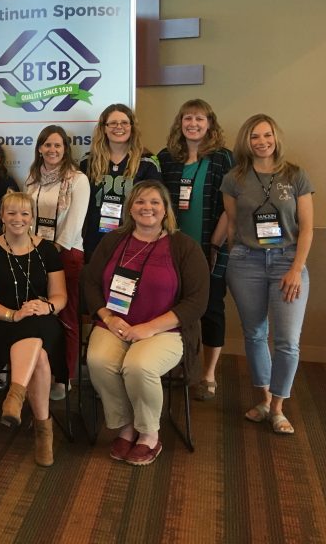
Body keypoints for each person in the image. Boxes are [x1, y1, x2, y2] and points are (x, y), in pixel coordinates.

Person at [83, 181, 208, 466]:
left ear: (165, 209)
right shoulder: (113, 241)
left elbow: (197, 301)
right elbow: (90, 282)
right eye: (140, 202)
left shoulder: (184, 247)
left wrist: (149, 328)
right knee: (98, 361)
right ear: (130, 208)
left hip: (165, 330)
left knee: (139, 366)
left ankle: (150, 433)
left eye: (154, 202)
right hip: (114, 324)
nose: (147, 208)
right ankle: (126, 426)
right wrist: (107, 317)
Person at [222, 114, 313, 436]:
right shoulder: (234, 178)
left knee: (288, 341)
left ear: (276, 137)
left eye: (267, 135)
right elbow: (233, 225)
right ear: (246, 142)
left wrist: (295, 269)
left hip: (287, 261)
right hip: (246, 262)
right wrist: (229, 252)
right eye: (255, 137)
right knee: (255, 334)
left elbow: (307, 229)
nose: (262, 142)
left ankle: (278, 407)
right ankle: (262, 400)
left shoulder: (295, 175)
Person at [0, 191, 67, 467]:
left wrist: (47, 307)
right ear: (2, 216)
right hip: (0, 325)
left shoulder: (48, 250)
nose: (18, 219)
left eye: (25, 213)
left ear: (32, 218)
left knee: (37, 329)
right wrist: (14, 315)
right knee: (39, 356)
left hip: (42, 321)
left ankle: (15, 395)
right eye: (11, 213)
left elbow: (60, 296)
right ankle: (42, 429)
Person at [158, 100, 234, 401]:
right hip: (172, 249)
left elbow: (231, 207)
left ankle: (208, 373)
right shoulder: (167, 158)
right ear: (180, 123)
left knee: (211, 308)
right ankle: (175, 365)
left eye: (199, 118)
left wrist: (214, 245)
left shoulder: (223, 158)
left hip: (211, 245)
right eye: (187, 118)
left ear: (210, 123)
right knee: (172, 307)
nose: (193, 123)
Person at [23, 125, 89, 398]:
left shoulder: (77, 180)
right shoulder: (32, 179)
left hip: (66, 253)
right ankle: (41, 372)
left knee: (67, 316)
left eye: (57, 145)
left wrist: (52, 249)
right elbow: (26, 215)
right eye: (47, 145)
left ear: (65, 150)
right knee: (41, 315)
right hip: (35, 251)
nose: (52, 150)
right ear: (39, 148)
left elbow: (74, 223)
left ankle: (65, 376)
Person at [80, 104, 162, 261]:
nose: (119, 127)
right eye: (113, 123)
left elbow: (156, 206)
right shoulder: (88, 161)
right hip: (95, 240)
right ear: (104, 127)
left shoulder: (148, 162)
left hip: (134, 238)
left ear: (132, 127)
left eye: (124, 122)